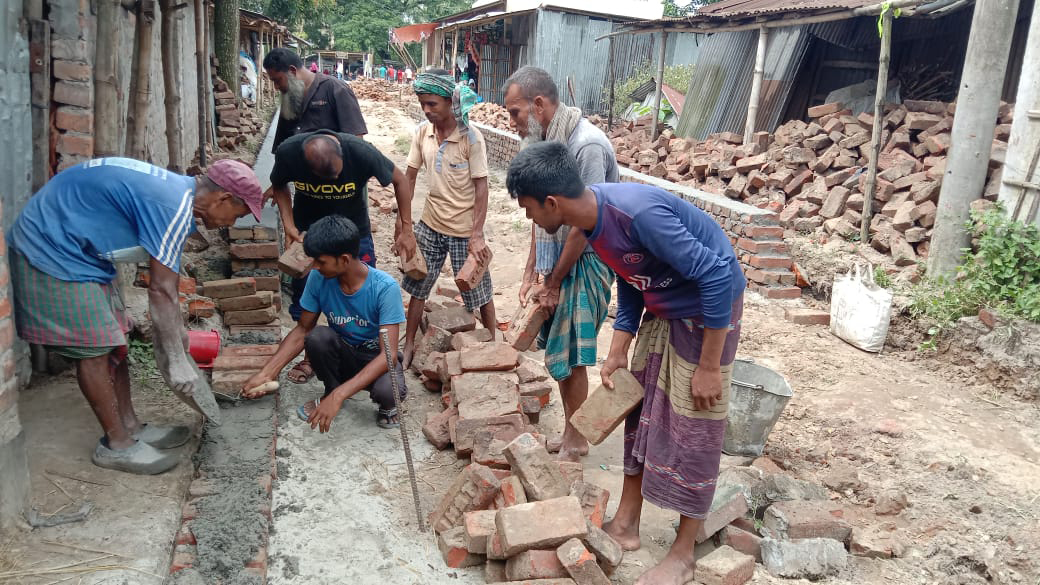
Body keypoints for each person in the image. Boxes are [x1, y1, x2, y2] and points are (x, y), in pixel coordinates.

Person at [506, 142, 746, 585]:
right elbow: (632, 279)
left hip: (707, 313)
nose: (529, 219)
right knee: (639, 408)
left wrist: (710, 364)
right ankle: (627, 522)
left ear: (552, 203)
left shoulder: (638, 215)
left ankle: (683, 552)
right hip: (663, 308)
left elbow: (717, 275)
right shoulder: (593, 223)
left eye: (528, 209)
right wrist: (619, 343)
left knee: (695, 422)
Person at [7, 158, 264, 474]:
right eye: (236, 215)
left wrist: (177, 336)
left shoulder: (177, 195)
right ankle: (117, 445)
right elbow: (161, 291)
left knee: (116, 341)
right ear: (223, 198)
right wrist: (178, 359)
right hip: (51, 249)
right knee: (95, 348)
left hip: (82, 251)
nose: (231, 223)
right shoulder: (173, 208)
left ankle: (131, 426)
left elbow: (164, 293)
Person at [501, 66, 619, 462]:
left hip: (586, 262)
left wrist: (552, 282)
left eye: (515, 113)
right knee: (561, 353)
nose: (512, 122)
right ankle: (572, 430)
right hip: (558, 264)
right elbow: (538, 217)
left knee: (572, 355)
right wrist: (531, 272)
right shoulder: (541, 143)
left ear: (538, 104)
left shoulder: (587, 147)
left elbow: (582, 228)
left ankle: (577, 437)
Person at [262, 130, 414, 383]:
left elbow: (400, 179)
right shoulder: (289, 152)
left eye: (336, 176)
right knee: (305, 294)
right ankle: (312, 355)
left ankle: (367, 353)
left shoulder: (360, 152)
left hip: (352, 232)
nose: (331, 182)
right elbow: (278, 184)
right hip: (309, 234)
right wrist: (289, 225)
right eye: (323, 179)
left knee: (361, 290)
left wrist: (406, 227)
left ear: (342, 155)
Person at [242, 216, 407, 430]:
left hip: (375, 357)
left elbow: (388, 355)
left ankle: (365, 401)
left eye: (321, 262)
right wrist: (266, 373)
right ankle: (331, 390)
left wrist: (340, 396)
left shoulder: (384, 288)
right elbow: (303, 329)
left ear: (345, 260)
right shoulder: (319, 279)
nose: (315, 267)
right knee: (317, 337)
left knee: (388, 392)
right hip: (344, 353)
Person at [397, 69, 497, 367]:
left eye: (432, 104)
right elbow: (409, 178)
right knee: (418, 287)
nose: (426, 110)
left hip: (464, 230)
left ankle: (494, 344)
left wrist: (476, 235)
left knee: (478, 290)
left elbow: (482, 188)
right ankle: (411, 343)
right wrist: (403, 226)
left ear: (449, 102)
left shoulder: (471, 137)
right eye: (422, 104)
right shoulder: (421, 133)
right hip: (430, 223)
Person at [262, 48, 367, 154]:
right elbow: (281, 147)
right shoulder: (289, 96)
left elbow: (356, 143)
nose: (276, 87)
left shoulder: (336, 89)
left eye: (277, 80)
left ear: (292, 71)